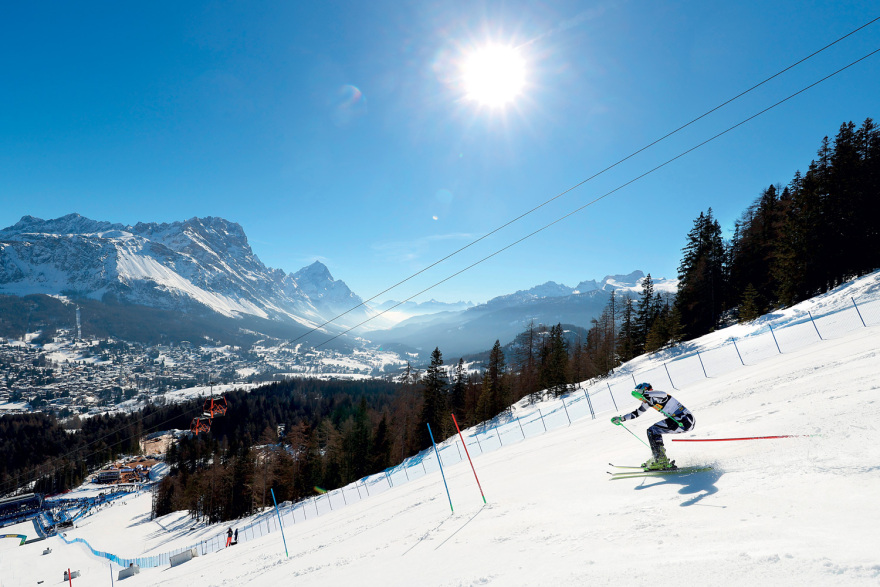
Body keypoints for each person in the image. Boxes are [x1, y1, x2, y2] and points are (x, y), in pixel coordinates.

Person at [611, 382, 695, 470]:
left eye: (640, 397)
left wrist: (644, 394)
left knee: (652, 430)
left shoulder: (658, 396)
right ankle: (658, 456)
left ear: (646, 390)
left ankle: (660, 459)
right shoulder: (648, 402)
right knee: (654, 431)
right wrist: (622, 418)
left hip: (684, 419)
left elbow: (663, 394)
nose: (641, 400)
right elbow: (637, 413)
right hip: (680, 421)